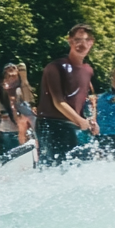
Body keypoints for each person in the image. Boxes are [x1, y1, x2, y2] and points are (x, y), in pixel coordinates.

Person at [34, 24, 98, 167]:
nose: (81, 44)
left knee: (77, 170)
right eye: (77, 40)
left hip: (71, 126)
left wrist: (91, 122)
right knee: (55, 171)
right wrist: (81, 121)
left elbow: (80, 102)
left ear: (91, 43)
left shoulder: (88, 70)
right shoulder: (55, 67)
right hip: (50, 125)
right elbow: (58, 102)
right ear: (70, 41)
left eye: (86, 40)